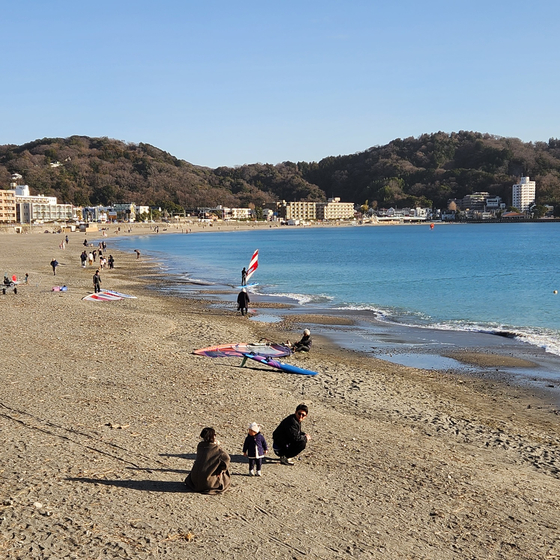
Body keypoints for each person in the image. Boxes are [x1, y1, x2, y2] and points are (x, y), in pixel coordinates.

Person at [184, 427, 231, 494]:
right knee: (225, 474)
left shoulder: (200, 446)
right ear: (213, 436)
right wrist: (220, 470)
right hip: (207, 482)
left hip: (193, 480)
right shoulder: (218, 450)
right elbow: (227, 459)